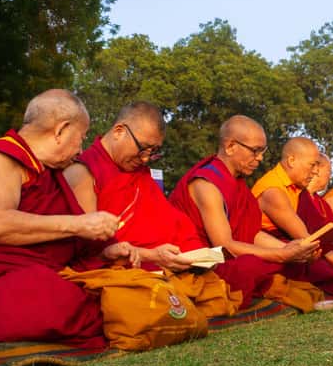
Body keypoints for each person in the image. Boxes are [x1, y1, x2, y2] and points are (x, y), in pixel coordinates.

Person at [0, 90, 136, 347]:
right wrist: (78, 224)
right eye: (81, 138)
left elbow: (57, 244)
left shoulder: (46, 173)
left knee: (106, 288)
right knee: (55, 300)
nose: (80, 149)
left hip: (22, 271)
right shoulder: (0, 157)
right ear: (61, 130)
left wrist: (104, 252)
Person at [63, 102, 243, 314]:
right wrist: (152, 256)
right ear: (119, 131)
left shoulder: (140, 174)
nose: (146, 158)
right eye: (142, 149)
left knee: (217, 286)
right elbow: (89, 250)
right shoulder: (83, 172)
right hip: (120, 269)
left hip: (161, 265)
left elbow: (171, 223)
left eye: (153, 152)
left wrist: (195, 255)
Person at [168, 116, 333, 306]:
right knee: (250, 268)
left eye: (262, 151)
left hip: (228, 256)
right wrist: (282, 255)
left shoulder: (237, 182)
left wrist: (288, 250)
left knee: (295, 264)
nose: (260, 158)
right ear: (230, 146)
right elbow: (224, 247)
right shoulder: (207, 184)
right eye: (255, 151)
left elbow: (250, 233)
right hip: (201, 263)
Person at [252, 138, 333, 295]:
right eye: (312, 165)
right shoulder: (273, 191)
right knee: (326, 271)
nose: (315, 171)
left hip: (297, 242)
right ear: (292, 160)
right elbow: (305, 238)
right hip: (273, 247)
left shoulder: (296, 188)